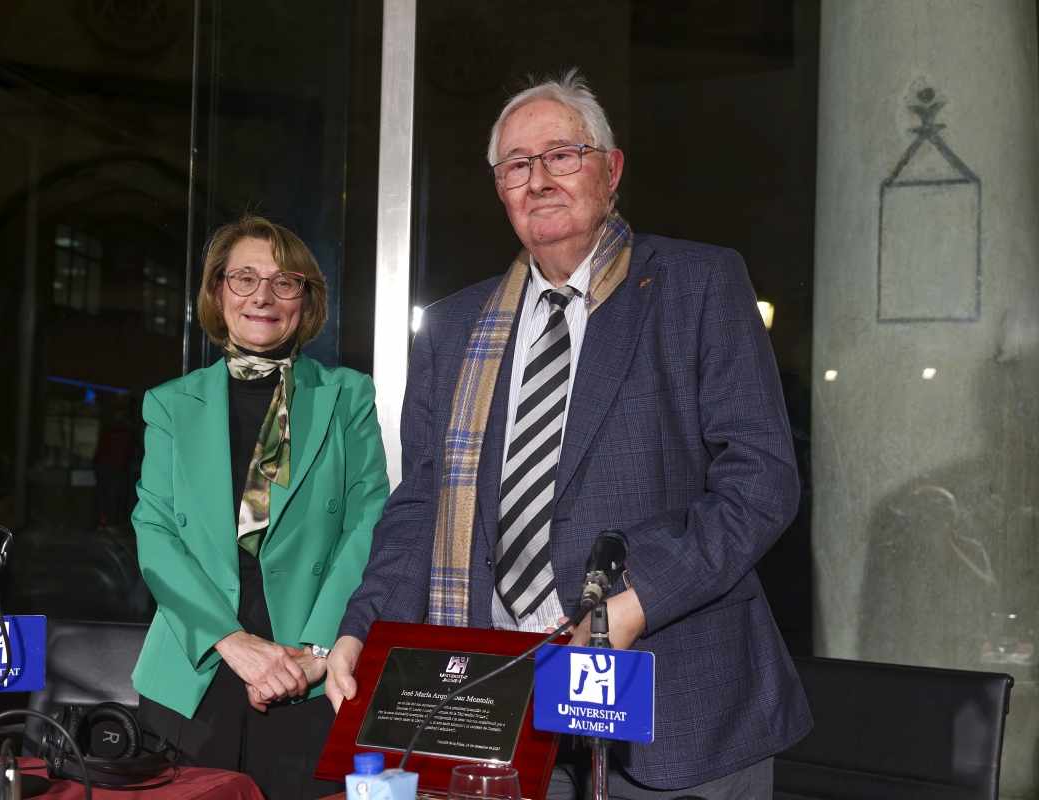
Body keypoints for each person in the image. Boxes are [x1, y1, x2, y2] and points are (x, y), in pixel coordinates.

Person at [326, 70, 811, 799]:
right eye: (518, 165)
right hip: (499, 709)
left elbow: (762, 480)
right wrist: (359, 628)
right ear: (500, 188)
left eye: (562, 154)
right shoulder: (456, 329)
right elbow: (421, 505)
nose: (540, 179)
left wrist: (633, 602)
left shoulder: (697, 284)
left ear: (610, 169)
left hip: (677, 706)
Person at [131, 215, 389, 800]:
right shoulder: (170, 404)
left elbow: (367, 520)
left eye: (284, 281)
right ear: (218, 293)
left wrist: (319, 649)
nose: (263, 297)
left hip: (308, 669)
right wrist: (232, 641)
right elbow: (155, 532)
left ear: (306, 298)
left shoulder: (348, 394)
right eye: (243, 278)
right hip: (194, 667)